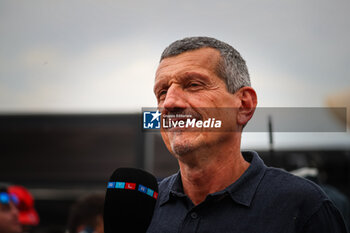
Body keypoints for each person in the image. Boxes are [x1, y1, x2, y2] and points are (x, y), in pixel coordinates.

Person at [146, 37, 347, 233]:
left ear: (244, 105)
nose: (169, 103)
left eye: (194, 85)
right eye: (162, 92)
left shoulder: (303, 206)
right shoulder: (142, 206)